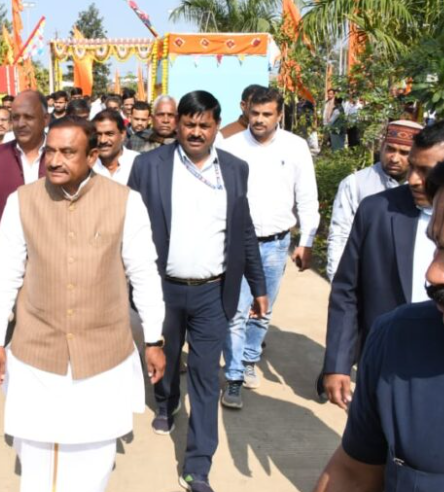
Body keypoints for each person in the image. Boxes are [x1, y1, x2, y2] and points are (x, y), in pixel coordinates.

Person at [0, 116, 166, 492]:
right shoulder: (22, 201)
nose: (55, 160)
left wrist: (154, 339)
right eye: (50, 151)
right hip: (37, 352)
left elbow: (145, 274)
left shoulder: (125, 202)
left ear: (92, 155)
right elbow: (6, 276)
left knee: (94, 455)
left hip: (103, 356)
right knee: (36, 453)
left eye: (68, 152)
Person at [129, 91, 267, 492]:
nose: (195, 132)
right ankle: (166, 402)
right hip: (163, 290)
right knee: (167, 359)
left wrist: (257, 285)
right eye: (188, 124)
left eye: (204, 125)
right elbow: (130, 228)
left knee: (207, 377)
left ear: (216, 126)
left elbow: (244, 230)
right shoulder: (149, 166)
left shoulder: (235, 170)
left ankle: (198, 464)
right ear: (177, 124)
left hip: (213, 293)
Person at [312, 151, 444, 492]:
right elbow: (354, 473)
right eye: (437, 247)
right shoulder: (396, 337)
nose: (432, 274)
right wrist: (337, 363)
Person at [320, 121, 444, 410]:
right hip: (387, 365)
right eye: (413, 167)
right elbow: (347, 291)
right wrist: (337, 363)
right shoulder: (377, 210)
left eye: (426, 171)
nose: (414, 180)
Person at [219, 87, 319, 408]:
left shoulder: (295, 147)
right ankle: (234, 377)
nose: (259, 119)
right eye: (255, 113)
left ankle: (250, 358)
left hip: (276, 244)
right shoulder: (229, 146)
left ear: (279, 115)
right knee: (236, 311)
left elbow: (307, 196)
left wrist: (306, 241)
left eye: (267, 114)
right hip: (236, 243)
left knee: (262, 311)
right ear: (246, 111)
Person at [0, 90, 48, 300]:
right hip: (10, 262)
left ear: (45, 119)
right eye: (16, 117)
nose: (21, 124)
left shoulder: (60, 152)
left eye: (29, 117)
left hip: (56, 259)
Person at [326, 120, 424, 281]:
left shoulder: (427, 189)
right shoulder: (355, 184)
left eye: (404, 152)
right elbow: (340, 236)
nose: (394, 158)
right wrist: (338, 281)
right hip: (369, 278)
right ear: (382, 146)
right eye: (390, 149)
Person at [92, 109, 139, 185]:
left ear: (122, 134)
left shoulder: (137, 162)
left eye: (109, 134)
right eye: (98, 135)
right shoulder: (86, 166)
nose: (103, 140)